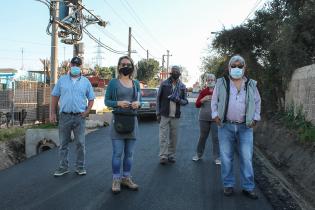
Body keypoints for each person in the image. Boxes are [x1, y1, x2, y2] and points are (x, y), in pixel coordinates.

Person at [211, 55, 261, 199]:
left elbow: (257, 102)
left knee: (246, 158)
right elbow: (214, 101)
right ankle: (228, 185)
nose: (237, 68)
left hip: (245, 127)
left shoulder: (251, 84)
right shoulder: (221, 83)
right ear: (229, 68)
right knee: (226, 158)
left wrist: (256, 118)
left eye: (240, 66)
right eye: (234, 66)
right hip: (225, 126)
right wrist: (215, 115)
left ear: (245, 68)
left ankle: (248, 187)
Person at [51, 56, 95, 177]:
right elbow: (55, 96)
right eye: (73, 64)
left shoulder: (86, 82)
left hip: (79, 117)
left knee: (80, 143)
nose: (75, 66)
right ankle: (63, 167)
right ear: (70, 65)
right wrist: (52, 113)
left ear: (81, 67)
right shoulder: (62, 80)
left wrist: (87, 111)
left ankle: (80, 167)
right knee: (63, 144)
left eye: (78, 65)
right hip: (65, 116)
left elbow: (91, 98)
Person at [105, 56, 141, 194]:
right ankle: (116, 179)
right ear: (119, 66)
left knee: (130, 154)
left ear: (132, 66)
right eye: (123, 64)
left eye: (128, 64)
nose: (125, 66)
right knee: (117, 153)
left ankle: (126, 178)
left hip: (132, 120)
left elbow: (140, 101)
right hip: (118, 120)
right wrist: (118, 103)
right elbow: (107, 102)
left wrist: (138, 104)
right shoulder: (113, 83)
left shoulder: (136, 83)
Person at [156, 66, 188, 164]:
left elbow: (185, 101)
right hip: (164, 114)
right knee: (163, 136)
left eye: (177, 71)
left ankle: (171, 155)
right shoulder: (164, 84)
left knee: (174, 137)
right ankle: (163, 156)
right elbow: (158, 99)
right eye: (173, 71)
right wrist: (157, 113)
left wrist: (178, 99)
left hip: (176, 115)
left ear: (179, 73)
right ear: (171, 73)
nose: (175, 73)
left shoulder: (182, 86)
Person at [192, 73, 220, 164]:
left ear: (215, 81)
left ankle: (217, 157)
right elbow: (197, 105)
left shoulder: (219, 91)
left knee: (215, 138)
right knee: (203, 137)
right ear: (206, 81)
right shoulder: (203, 91)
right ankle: (198, 154)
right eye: (208, 80)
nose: (210, 81)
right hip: (203, 118)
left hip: (215, 119)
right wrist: (203, 99)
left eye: (212, 79)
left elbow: (223, 105)